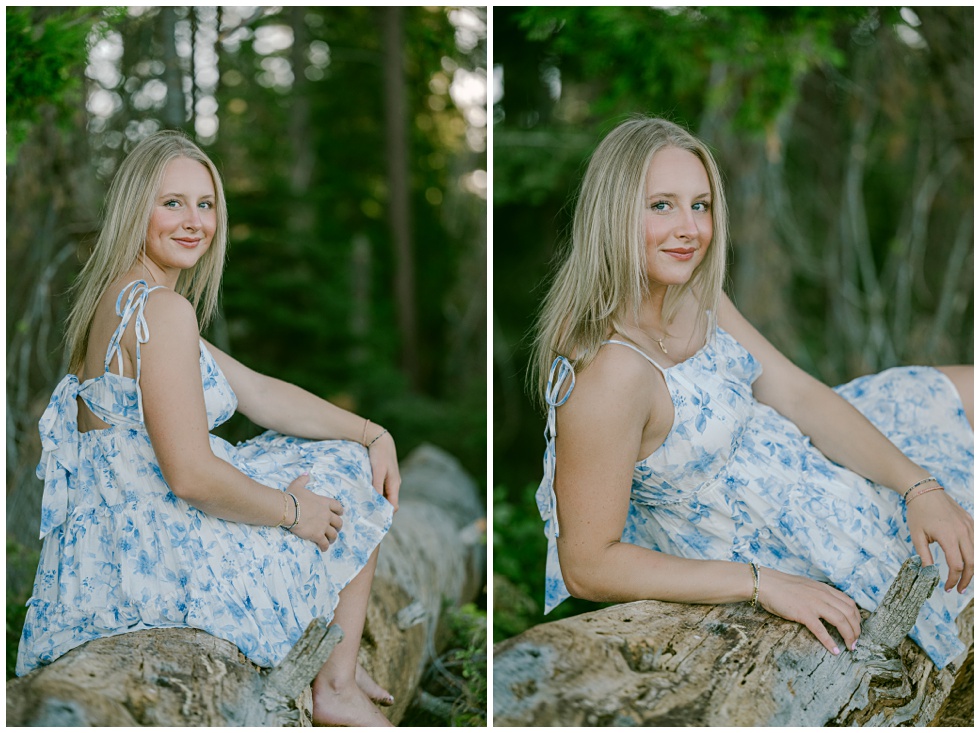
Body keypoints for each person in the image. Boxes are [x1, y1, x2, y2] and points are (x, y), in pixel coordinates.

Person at [530, 116, 973, 669]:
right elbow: (588, 564)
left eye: (701, 204)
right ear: (612, 214)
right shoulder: (608, 375)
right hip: (770, 539)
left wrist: (918, 486)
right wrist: (762, 583)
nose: (689, 228)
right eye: (661, 205)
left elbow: (796, 393)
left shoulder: (691, 294)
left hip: (804, 462)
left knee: (967, 394)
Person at [16, 130, 401, 727]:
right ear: (133, 209)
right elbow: (192, 476)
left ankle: (335, 665)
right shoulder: (161, 311)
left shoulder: (122, 303)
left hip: (103, 567)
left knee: (347, 450)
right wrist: (293, 511)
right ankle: (337, 683)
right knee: (345, 475)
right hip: (163, 566)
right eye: (172, 203)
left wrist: (373, 431)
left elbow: (260, 392)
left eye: (206, 203)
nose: (194, 221)